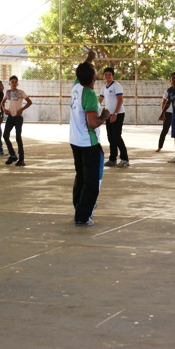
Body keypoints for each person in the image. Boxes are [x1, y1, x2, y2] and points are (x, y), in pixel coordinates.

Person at [70, 62, 110, 226]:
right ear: (94, 77)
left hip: (75, 141)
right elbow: (92, 123)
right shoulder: (90, 95)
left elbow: (82, 71)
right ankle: (83, 216)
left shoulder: (76, 87)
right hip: (89, 144)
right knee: (92, 182)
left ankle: (79, 208)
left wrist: (89, 58)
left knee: (81, 177)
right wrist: (104, 116)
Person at [99, 67, 129, 168]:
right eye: (106, 74)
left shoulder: (117, 86)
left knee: (117, 136)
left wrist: (115, 114)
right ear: (103, 76)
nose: (107, 76)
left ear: (113, 76)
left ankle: (125, 159)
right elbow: (100, 100)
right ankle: (112, 159)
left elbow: (120, 100)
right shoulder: (104, 87)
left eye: (109, 74)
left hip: (118, 114)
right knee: (110, 137)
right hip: (108, 114)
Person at [0, 75, 33, 166]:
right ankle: (12, 155)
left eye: (15, 82)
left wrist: (21, 109)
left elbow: (29, 102)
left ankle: (21, 159)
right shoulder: (8, 92)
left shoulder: (20, 92)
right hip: (10, 116)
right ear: (9, 83)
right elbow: (2, 102)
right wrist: (4, 109)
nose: (14, 84)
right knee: (5, 135)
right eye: (12, 82)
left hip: (18, 117)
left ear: (17, 83)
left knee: (18, 137)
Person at [156, 84, 172, 153]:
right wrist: (163, 114)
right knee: (165, 130)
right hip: (168, 113)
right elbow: (164, 102)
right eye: (172, 80)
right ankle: (160, 147)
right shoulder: (167, 91)